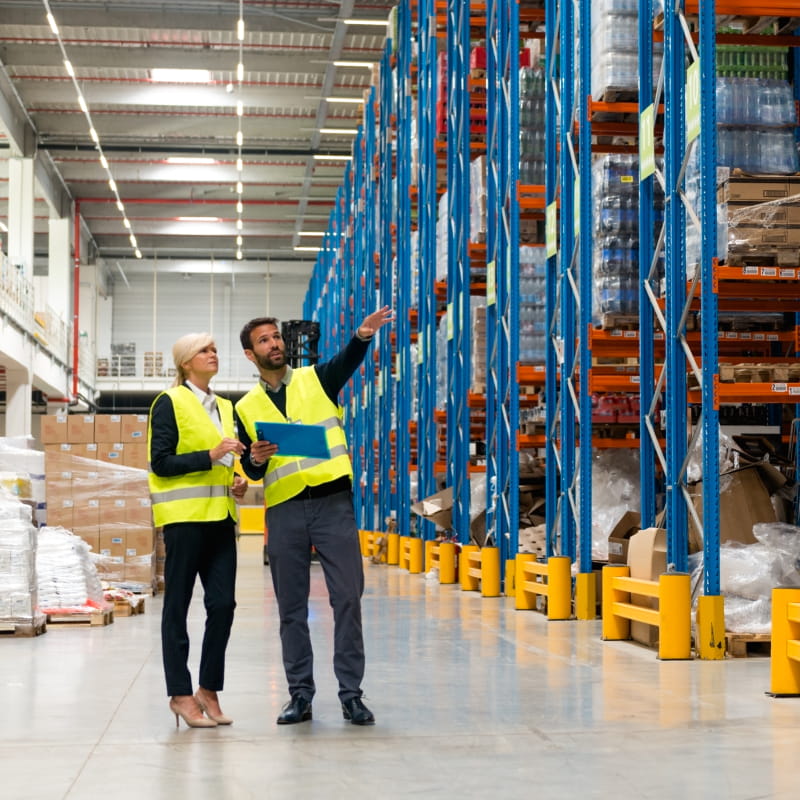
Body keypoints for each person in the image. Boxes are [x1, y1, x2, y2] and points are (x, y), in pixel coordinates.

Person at [235, 307, 394, 726]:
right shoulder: (246, 406)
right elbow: (252, 469)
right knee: (291, 607)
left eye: (276, 337)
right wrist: (254, 457)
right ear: (251, 355)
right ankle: (300, 695)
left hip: (332, 503)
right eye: (264, 341)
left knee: (347, 598)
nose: (275, 344)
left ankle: (351, 695)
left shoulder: (314, 379)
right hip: (285, 509)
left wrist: (362, 336)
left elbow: (347, 362)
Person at [148, 333, 247, 728]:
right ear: (186, 362)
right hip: (185, 520)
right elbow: (161, 462)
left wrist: (236, 481)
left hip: (221, 517)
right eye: (205, 351)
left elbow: (226, 463)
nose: (213, 355)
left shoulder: (224, 405)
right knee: (177, 608)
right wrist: (211, 455)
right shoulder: (169, 402)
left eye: (214, 350)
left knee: (223, 605)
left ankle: (208, 688)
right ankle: (180, 694)